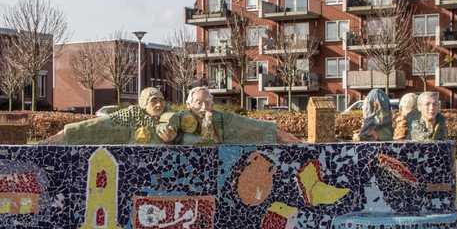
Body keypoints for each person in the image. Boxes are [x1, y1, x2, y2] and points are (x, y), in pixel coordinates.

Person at [45, 87, 176, 144]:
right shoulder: (131, 114)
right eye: (154, 101)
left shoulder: (171, 116)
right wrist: (68, 132)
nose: (159, 105)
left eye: (161, 101)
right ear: (144, 103)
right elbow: (99, 124)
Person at [174, 86, 300, 144]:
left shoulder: (222, 118)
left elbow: (251, 125)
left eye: (207, 103)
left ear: (212, 104)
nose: (203, 107)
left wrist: (273, 131)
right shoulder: (180, 119)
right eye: (198, 103)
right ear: (189, 105)